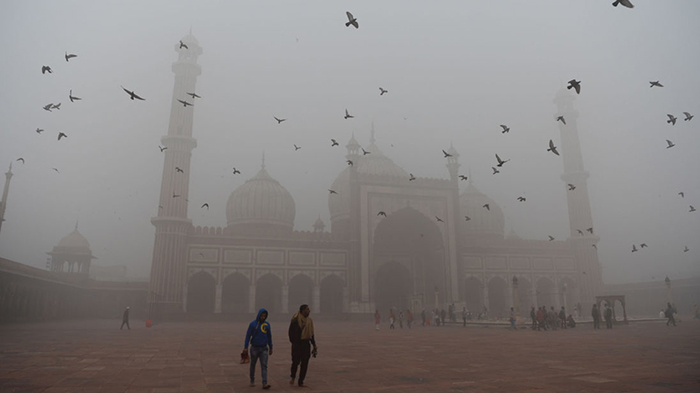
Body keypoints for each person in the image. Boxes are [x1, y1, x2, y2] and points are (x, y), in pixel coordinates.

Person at [244, 308, 273, 389]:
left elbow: (269, 336)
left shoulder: (267, 325)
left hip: (264, 348)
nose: (263, 317)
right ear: (259, 315)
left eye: (264, 316)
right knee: (253, 365)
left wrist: (271, 347)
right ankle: (252, 379)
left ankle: (264, 383)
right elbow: (248, 336)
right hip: (254, 348)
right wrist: (245, 347)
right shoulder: (253, 324)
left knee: (264, 366)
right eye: (262, 316)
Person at [289, 304, 317, 388]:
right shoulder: (295, 320)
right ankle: (293, 376)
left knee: (305, 363)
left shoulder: (309, 321)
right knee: (295, 362)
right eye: (307, 309)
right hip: (297, 344)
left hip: (306, 344)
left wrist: (314, 345)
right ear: (303, 310)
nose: (309, 311)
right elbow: (290, 333)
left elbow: (311, 334)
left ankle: (301, 381)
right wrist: (294, 343)